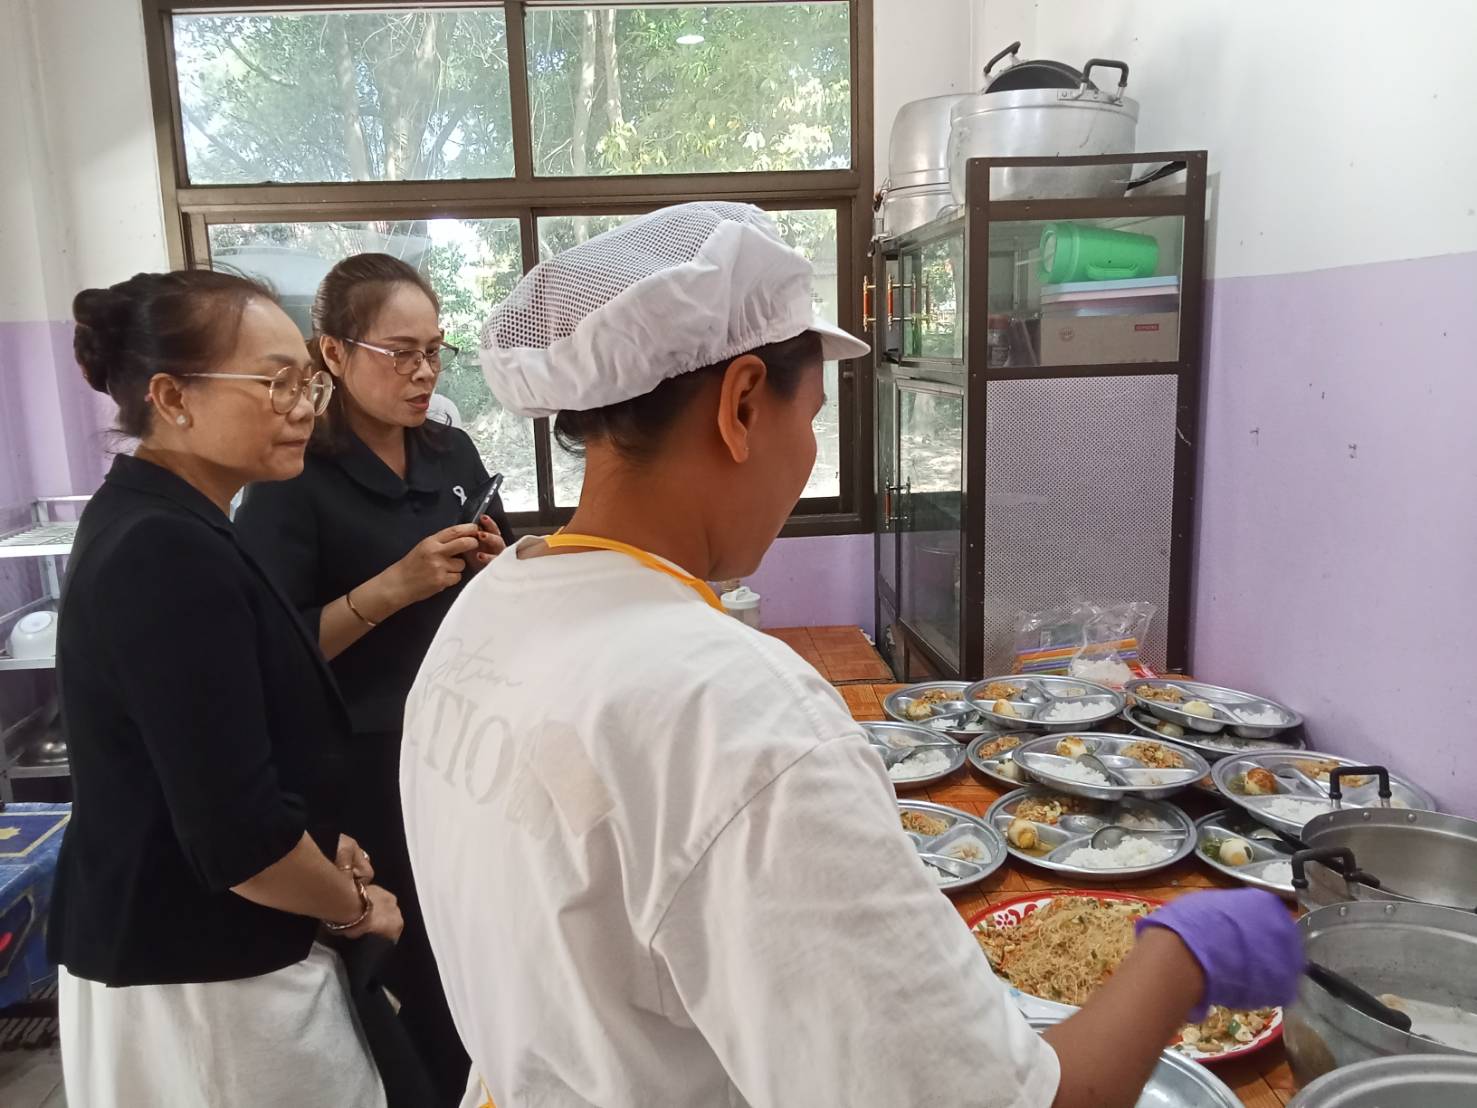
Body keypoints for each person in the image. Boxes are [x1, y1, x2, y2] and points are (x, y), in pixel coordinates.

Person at [400, 203, 1304, 1108]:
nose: (806, 454)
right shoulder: (733, 708)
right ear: (741, 404)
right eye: (812, 417)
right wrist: (1178, 957)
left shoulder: (494, 605)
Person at [50, 270, 403, 1107]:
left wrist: (319, 842)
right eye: (276, 382)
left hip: (201, 949)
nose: (303, 406)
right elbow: (239, 839)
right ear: (172, 397)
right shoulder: (165, 550)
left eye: (307, 382)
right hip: (198, 976)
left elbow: (215, 753)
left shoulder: (176, 517)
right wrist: (354, 907)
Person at [234, 253, 510, 1103]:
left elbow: (486, 590)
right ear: (333, 352)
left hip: (467, 746)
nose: (424, 373)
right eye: (401, 352)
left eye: (435, 350)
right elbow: (272, 654)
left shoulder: (452, 452)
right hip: (362, 769)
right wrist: (391, 589)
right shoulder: (292, 480)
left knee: (485, 944)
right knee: (410, 964)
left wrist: (496, 565)